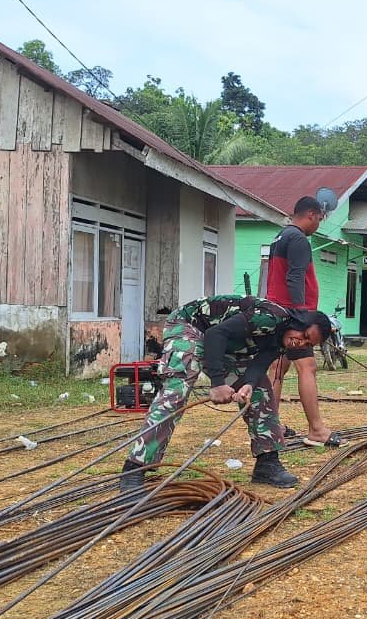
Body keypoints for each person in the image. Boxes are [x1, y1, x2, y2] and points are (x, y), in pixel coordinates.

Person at [120, 295, 333, 492]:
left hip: (224, 343)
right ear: (298, 324)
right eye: (304, 335)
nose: (300, 342)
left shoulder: (285, 339)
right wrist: (218, 383)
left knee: (260, 390)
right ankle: (135, 467)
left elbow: (260, 363)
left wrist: (248, 384)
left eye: (307, 344)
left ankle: (267, 462)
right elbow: (215, 334)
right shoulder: (272, 317)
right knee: (177, 387)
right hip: (191, 325)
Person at [265, 196, 334, 447]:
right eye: (319, 219)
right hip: (294, 315)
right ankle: (317, 430)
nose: (318, 225)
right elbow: (295, 277)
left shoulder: (280, 237)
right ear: (311, 215)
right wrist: (302, 317)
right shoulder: (298, 239)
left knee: (277, 369)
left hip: (278, 311)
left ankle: (272, 427)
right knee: (307, 367)